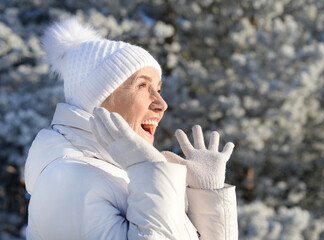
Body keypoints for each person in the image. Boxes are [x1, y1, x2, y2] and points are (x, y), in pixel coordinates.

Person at [24, 17, 238, 240]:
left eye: (158, 89)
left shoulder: (120, 176)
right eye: (143, 86)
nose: (161, 104)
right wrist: (149, 168)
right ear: (96, 100)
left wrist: (208, 197)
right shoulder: (68, 180)